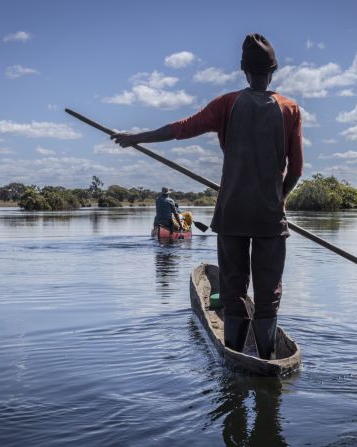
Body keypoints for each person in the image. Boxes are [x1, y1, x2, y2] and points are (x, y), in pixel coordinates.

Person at [112, 34, 303, 359]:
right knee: (268, 293)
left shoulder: (227, 104)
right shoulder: (290, 109)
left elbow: (183, 128)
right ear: (273, 72)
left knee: (233, 290)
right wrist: (280, 199)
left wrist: (138, 138)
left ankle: (234, 353)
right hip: (270, 216)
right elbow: (296, 170)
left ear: (244, 71)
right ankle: (267, 356)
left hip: (231, 215)